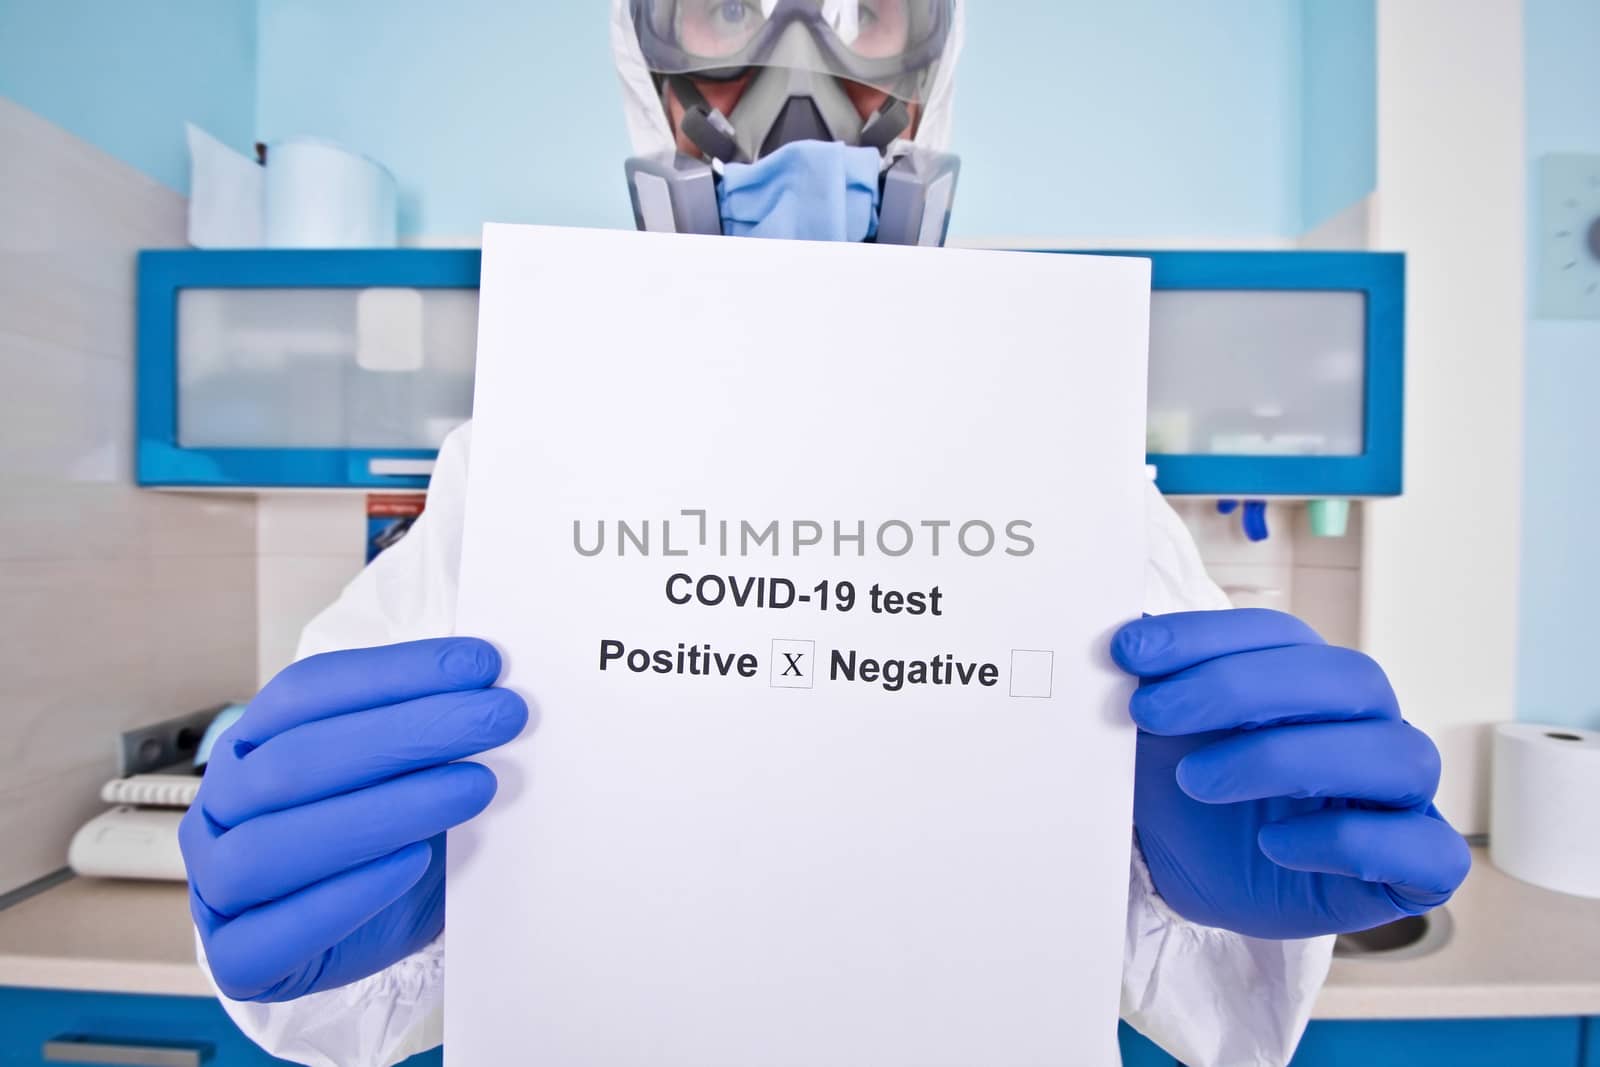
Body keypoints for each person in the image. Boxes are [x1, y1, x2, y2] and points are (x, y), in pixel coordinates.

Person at [179, 4, 1471, 1066]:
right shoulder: (512, 464)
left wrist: (1191, 889)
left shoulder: (1065, 467)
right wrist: (340, 911)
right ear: (652, 80)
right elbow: (332, 979)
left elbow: (1197, 992)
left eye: (867, 21)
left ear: (931, 78)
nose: (798, 95)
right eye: (724, 15)